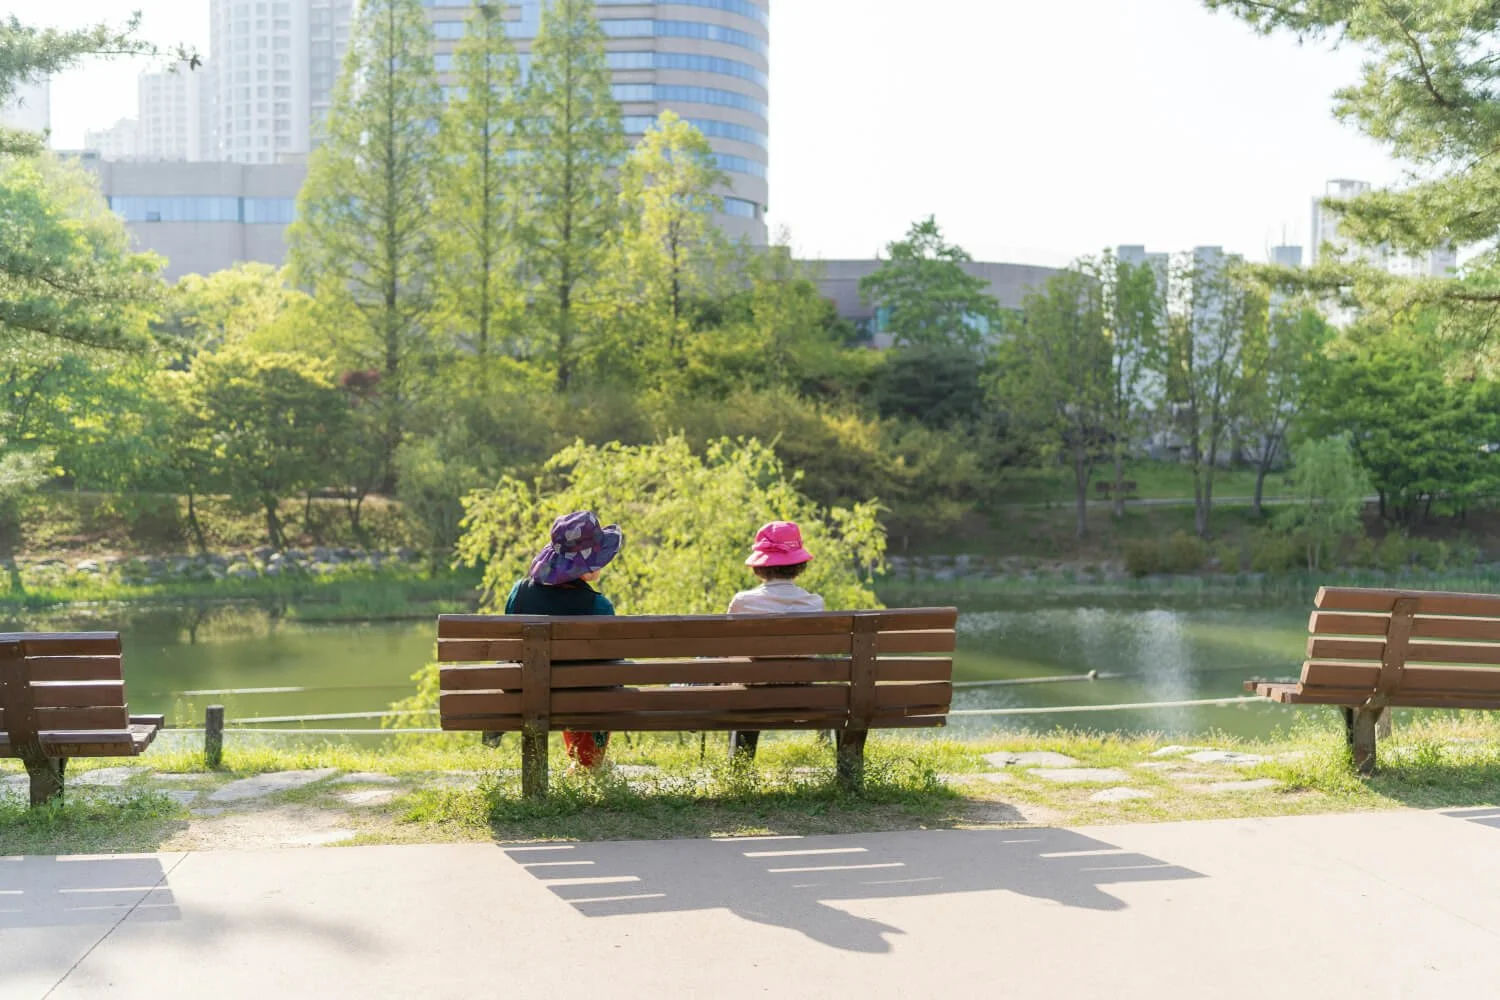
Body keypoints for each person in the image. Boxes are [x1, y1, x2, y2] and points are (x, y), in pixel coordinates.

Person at [503, 510, 623, 771]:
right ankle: (589, 763)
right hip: (583, 701)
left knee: (560, 681)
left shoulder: (519, 593)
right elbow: (611, 673)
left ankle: (581, 763)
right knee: (595, 685)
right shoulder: (598, 606)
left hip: (525, 697)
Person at [725, 521, 825, 758]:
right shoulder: (814, 603)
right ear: (799, 564)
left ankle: (740, 767)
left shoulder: (743, 602)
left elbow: (730, 651)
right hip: (801, 690)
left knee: (743, 676)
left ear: (760, 566)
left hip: (752, 692)